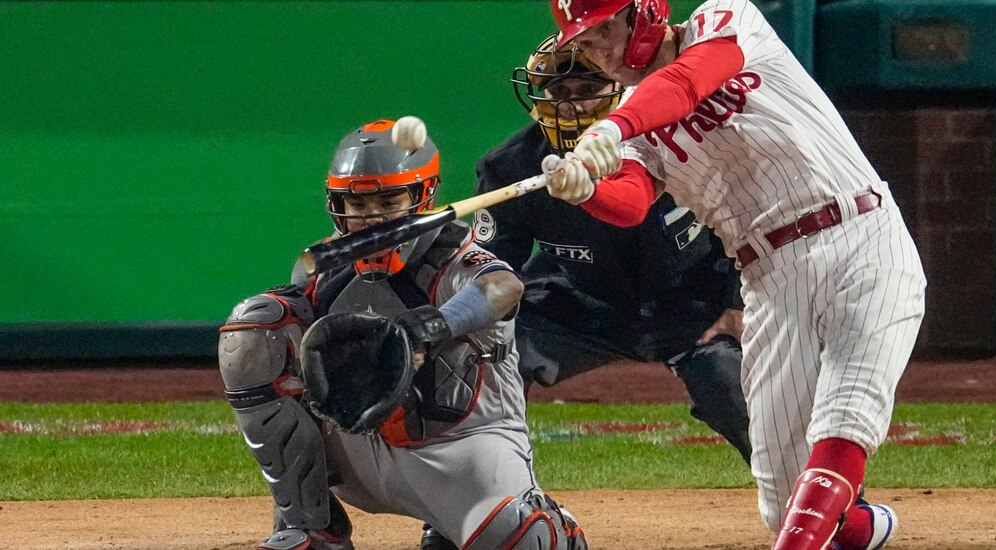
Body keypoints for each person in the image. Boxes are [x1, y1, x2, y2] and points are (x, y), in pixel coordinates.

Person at [541, 1, 927, 549]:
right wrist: (589, 192)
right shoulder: (630, 127)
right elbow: (629, 203)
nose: (598, 51)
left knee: (844, 419)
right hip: (770, 279)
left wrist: (613, 124)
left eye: (605, 29)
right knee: (784, 503)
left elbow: (689, 78)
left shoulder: (725, 18)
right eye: (584, 44)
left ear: (646, 12)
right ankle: (864, 527)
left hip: (860, 236)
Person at [218, 119, 587, 550]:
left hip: (461, 453)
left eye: (389, 199)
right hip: (357, 448)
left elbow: (503, 288)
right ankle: (308, 528)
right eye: (356, 203)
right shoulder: (325, 264)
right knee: (253, 327)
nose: (370, 215)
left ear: (422, 195)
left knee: (528, 541)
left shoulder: (454, 255)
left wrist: (427, 328)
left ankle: (515, 523)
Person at [473, 33, 753, 464]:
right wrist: (458, 327)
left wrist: (738, 302)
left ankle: (828, 507)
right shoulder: (510, 168)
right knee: (489, 361)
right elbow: (488, 268)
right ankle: (475, 507)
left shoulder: (683, 145)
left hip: (694, 304)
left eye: (588, 90)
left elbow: (750, 221)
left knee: (734, 390)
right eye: (558, 92)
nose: (571, 104)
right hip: (581, 305)